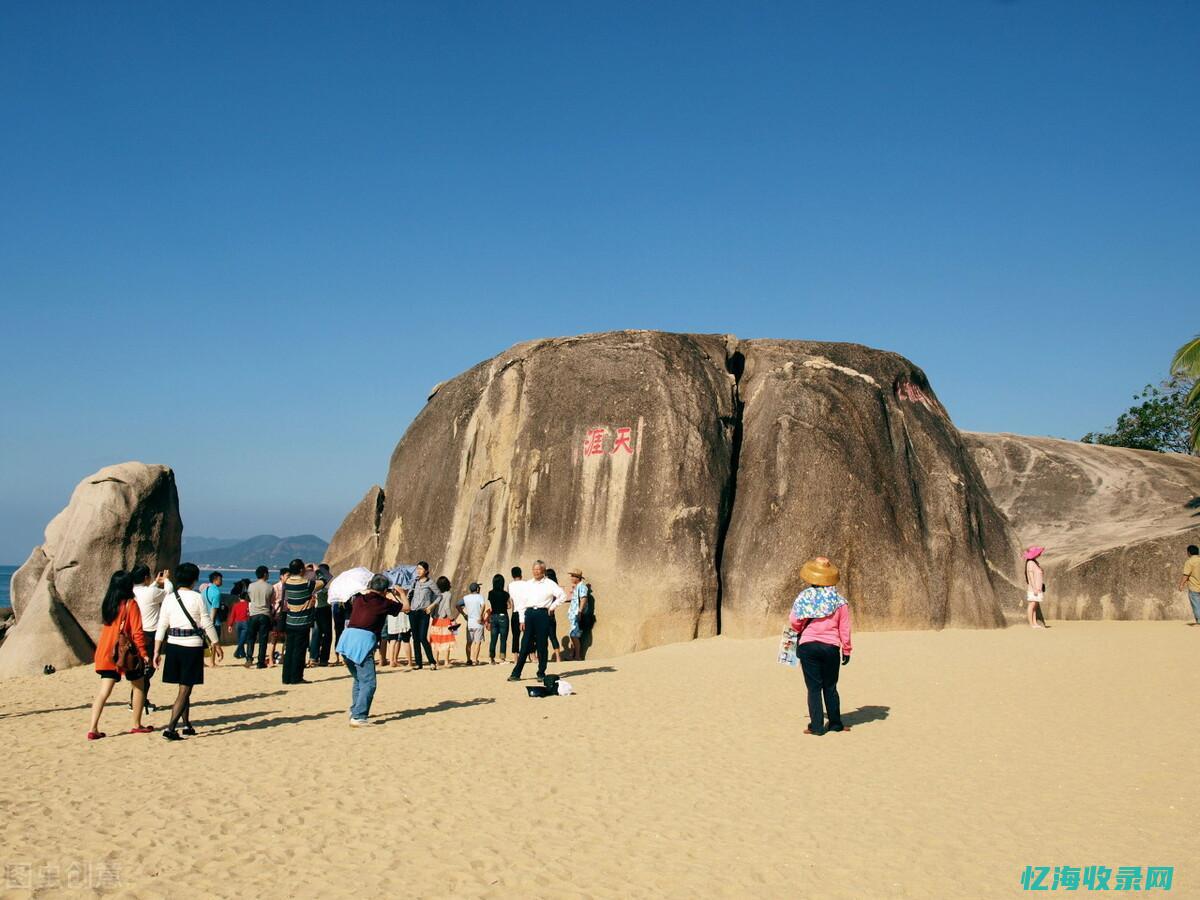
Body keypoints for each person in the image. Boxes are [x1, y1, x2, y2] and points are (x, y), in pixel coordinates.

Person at [155, 562, 223, 741]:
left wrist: (156, 650)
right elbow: (206, 622)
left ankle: (186, 724)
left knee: (184, 687)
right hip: (191, 646)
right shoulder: (196, 597)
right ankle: (170, 728)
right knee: (185, 689)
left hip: (173, 645)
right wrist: (216, 643)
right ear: (194, 579)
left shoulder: (170, 598)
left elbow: (162, 625)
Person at [789, 556, 853, 736]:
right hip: (830, 647)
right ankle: (835, 724)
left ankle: (816, 727)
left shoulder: (803, 597)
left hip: (808, 646)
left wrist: (799, 630)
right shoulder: (839, 601)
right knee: (830, 687)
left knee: (814, 688)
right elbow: (844, 628)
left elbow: (794, 621)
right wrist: (846, 649)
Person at [88, 571, 153, 740]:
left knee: (103, 692)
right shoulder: (131, 604)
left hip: (106, 651)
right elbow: (137, 632)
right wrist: (144, 653)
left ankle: (93, 728)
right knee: (139, 686)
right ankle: (136, 724)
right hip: (124, 653)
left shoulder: (108, 604)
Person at [336, 575, 407, 726]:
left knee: (359, 679)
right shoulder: (383, 602)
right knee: (369, 682)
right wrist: (402, 594)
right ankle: (359, 716)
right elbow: (406, 608)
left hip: (347, 639)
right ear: (384, 590)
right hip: (363, 642)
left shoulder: (359, 599)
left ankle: (355, 710)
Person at [508, 560, 565, 682]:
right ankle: (516, 673)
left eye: (538, 569)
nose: (536, 572)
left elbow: (562, 595)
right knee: (525, 643)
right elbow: (522, 602)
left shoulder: (550, 583)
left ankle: (541, 672)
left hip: (543, 614)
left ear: (543, 570)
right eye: (534, 569)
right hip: (529, 614)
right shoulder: (528, 584)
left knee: (542, 644)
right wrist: (522, 619)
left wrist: (552, 607)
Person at [131, 564, 171, 714]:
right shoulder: (151, 592)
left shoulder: (132, 591)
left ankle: (135, 701)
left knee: (138, 669)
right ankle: (140, 702)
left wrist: (155, 583)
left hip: (135, 633)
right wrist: (166, 580)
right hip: (150, 634)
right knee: (148, 670)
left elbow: (150, 593)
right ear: (146, 577)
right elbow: (169, 593)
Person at [281, 558, 315, 685]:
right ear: (301, 570)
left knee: (289, 649)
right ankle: (296, 677)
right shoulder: (307, 583)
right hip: (302, 622)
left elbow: (290, 576)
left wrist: (302, 569)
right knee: (299, 650)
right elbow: (325, 579)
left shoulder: (287, 582)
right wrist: (316, 568)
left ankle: (286, 678)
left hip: (290, 621)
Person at [407, 562, 439, 670]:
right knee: (415, 638)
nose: (418, 571)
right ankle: (418, 663)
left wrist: (431, 606)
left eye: (420, 569)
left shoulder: (430, 583)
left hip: (424, 612)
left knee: (422, 637)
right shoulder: (414, 582)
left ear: (426, 571)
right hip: (413, 612)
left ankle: (432, 662)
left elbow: (439, 596)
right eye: (417, 569)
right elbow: (409, 595)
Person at [245, 566, 274, 668]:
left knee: (251, 638)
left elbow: (249, 598)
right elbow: (271, 601)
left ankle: (249, 659)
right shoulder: (270, 587)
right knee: (263, 640)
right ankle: (260, 662)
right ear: (265, 574)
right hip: (265, 614)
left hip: (253, 614)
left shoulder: (251, 586)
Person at [430, 575, 457, 667]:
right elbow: (447, 608)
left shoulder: (435, 594)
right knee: (447, 640)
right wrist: (451, 618)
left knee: (436, 641)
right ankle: (446, 661)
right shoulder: (448, 594)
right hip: (445, 620)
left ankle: (436, 661)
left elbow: (433, 606)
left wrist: (433, 615)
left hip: (435, 620)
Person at [309, 563, 334, 665]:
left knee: (316, 634)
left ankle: (313, 657)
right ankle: (324, 659)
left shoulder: (313, 581)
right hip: (325, 609)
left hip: (316, 609)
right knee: (327, 635)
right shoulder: (324, 582)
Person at [457, 582, 486, 666]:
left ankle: (468, 659)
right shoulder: (480, 597)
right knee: (477, 642)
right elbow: (483, 605)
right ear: (477, 589)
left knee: (469, 642)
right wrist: (480, 616)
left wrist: (464, 614)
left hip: (470, 622)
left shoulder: (466, 598)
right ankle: (475, 660)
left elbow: (457, 605)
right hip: (478, 623)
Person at [485, 574, 510, 664]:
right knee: (503, 639)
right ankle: (502, 658)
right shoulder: (506, 594)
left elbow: (490, 605)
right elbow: (509, 606)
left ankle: (492, 658)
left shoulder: (490, 593)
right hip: (503, 616)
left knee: (493, 638)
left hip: (494, 616)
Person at [566, 570, 589, 662]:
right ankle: (572, 655)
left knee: (574, 635)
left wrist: (579, 612)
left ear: (577, 578)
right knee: (573, 634)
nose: (571, 578)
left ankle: (577, 656)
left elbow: (583, 599)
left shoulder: (582, 587)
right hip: (573, 614)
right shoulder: (577, 587)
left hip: (577, 614)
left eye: (573, 576)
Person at [201, 572, 224, 664]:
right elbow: (214, 609)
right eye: (220, 579)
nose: (221, 581)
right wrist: (212, 623)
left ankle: (202, 662)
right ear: (216, 580)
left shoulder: (204, 591)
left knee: (203, 642)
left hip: (203, 619)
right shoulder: (216, 592)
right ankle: (212, 662)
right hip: (214, 621)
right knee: (213, 642)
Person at [1024, 546, 1049, 629]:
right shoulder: (1030, 563)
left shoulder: (1035, 562)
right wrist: (1034, 588)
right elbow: (1031, 577)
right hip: (1033, 588)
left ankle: (1034, 622)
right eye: (1038, 553)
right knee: (1032, 605)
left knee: (1035, 606)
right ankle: (1031, 624)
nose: (1039, 554)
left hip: (1038, 588)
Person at [268, 567, 288, 666]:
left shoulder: (289, 587)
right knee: (274, 638)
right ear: (281, 576)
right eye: (287, 575)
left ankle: (283, 658)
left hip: (286, 613)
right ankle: (270, 659)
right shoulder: (275, 587)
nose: (289, 578)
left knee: (287, 637)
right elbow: (271, 602)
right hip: (277, 614)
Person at [545, 568, 564, 663]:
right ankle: (558, 658)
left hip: (544, 614)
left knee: (542, 637)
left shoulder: (547, 587)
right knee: (553, 636)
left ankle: (542, 657)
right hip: (551, 615)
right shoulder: (556, 588)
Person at [386, 600, 412, 669]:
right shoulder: (403, 595)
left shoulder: (390, 595)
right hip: (402, 617)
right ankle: (409, 662)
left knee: (393, 640)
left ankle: (392, 661)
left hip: (394, 617)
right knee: (406, 640)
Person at [228, 582, 251, 659]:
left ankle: (242, 653)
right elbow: (249, 614)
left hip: (237, 623)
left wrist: (230, 625)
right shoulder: (248, 604)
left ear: (239, 597)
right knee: (243, 639)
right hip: (245, 622)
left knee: (240, 639)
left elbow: (232, 615)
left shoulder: (235, 605)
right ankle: (237, 652)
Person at [1179, 545, 1200, 626]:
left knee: (1196, 604)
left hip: (1194, 587)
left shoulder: (1189, 562)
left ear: (1189, 552)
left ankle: (1199, 621)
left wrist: (1181, 584)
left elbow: (1186, 575)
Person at [508, 566, 524, 657]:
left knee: (515, 636)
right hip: (525, 612)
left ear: (512, 575)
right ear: (520, 574)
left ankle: (515, 657)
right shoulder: (526, 584)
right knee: (528, 635)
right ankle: (532, 655)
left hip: (515, 612)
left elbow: (511, 601)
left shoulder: (510, 585)